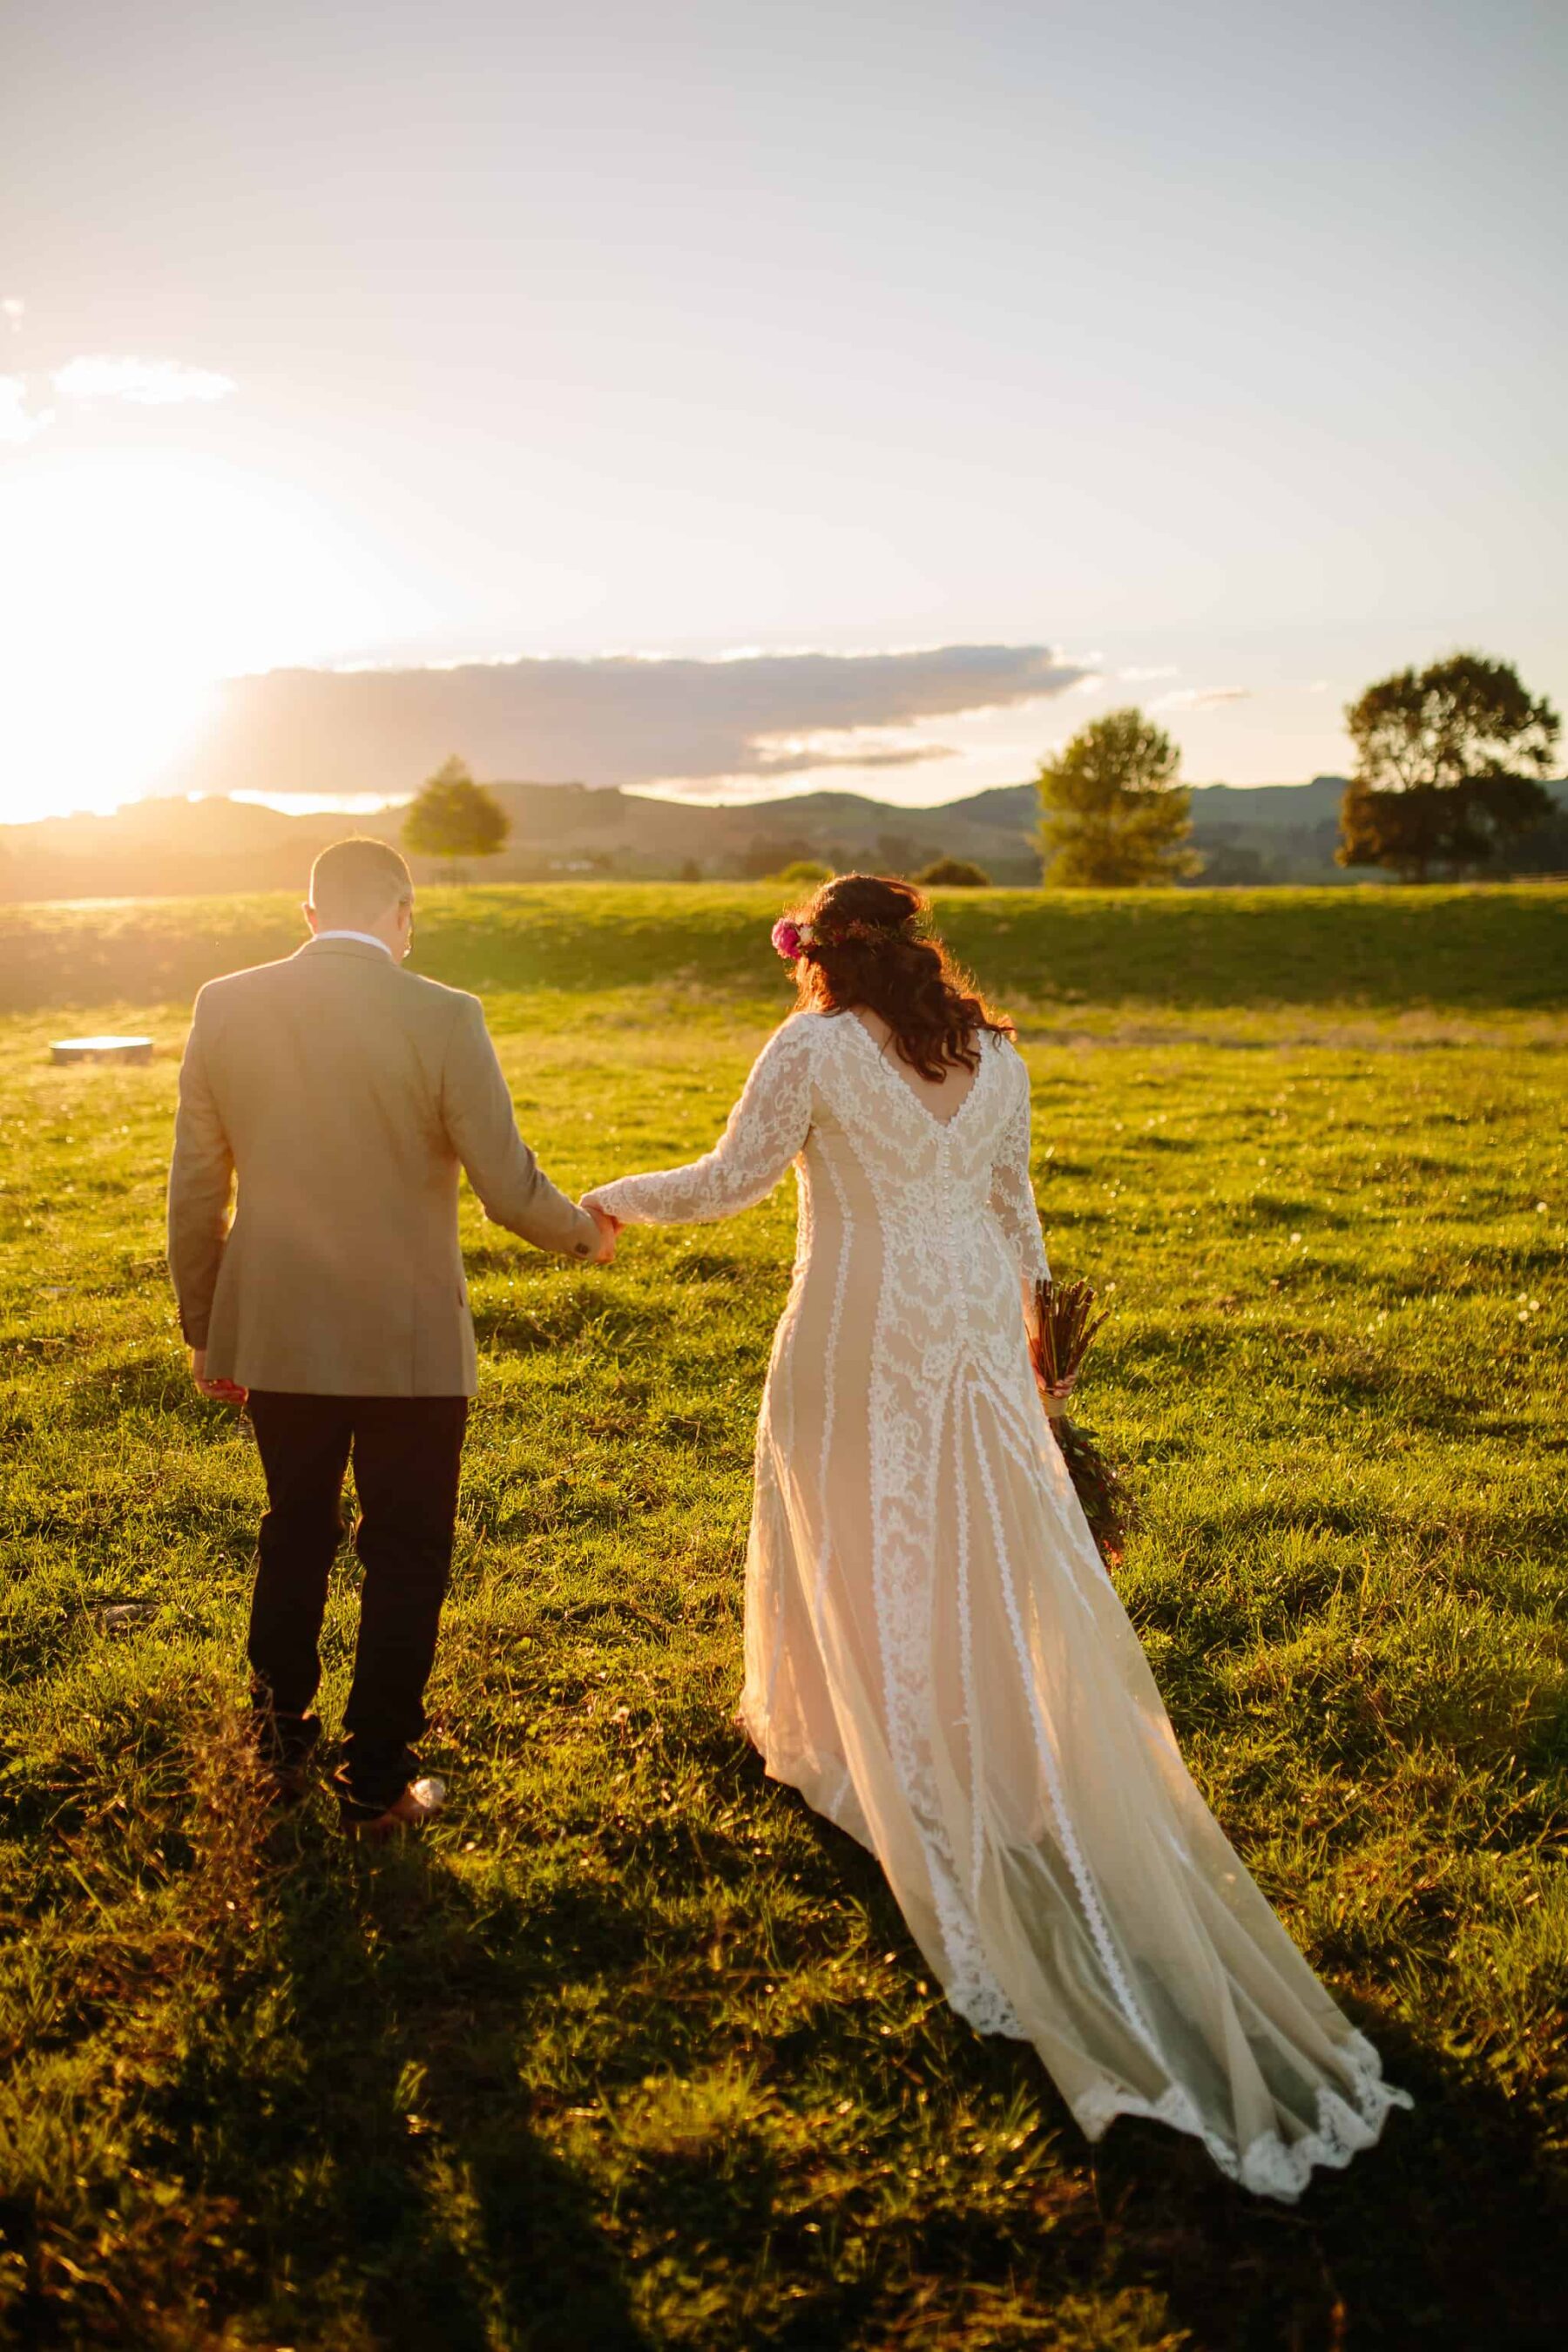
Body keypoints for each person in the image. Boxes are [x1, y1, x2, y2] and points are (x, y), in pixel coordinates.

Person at [584, 872, 1409, 2199]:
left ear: (818, 962)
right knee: (974, 1538)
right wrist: (1039, 1347)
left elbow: (733, 1180)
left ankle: (863, 1731)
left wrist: (611, 1198)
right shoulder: (999, 1058)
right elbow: (1018, 1211)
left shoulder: (811, 1046)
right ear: (919, 952)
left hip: (857, 1337)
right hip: (972, 1332)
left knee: (855, 1524)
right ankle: (961, 1717)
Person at [166, 837, 616, 1836]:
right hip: (411, 1348)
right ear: (404, 916)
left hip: (277, 1334)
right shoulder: (446, 1014)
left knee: (294, 1530)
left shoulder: (225, 1003)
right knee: (407, 1551)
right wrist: (585, 1233)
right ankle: (375, 1781)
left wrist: (209, 1325)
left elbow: (197, 1184)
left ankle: (277, 1748)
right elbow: (507, 1187)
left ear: (310, 915)